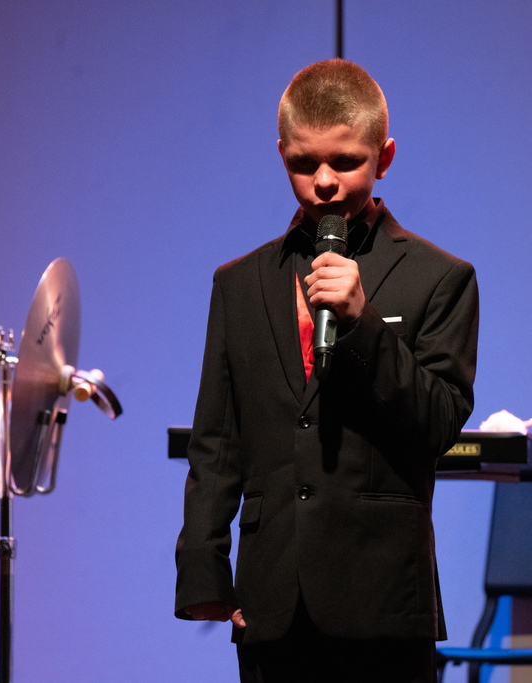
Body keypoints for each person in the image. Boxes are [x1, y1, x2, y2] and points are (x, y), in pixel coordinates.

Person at [175, 58, 479, 683]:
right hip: (271, 596)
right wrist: (205, 569)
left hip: (382, 599)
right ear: (281, 154)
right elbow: (217, 440)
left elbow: (440, 421)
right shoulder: (239, 284)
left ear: (384, 156)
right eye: (303, 163)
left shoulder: (440, 278)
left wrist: (364, 323)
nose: (323, 182)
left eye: (345, 162)